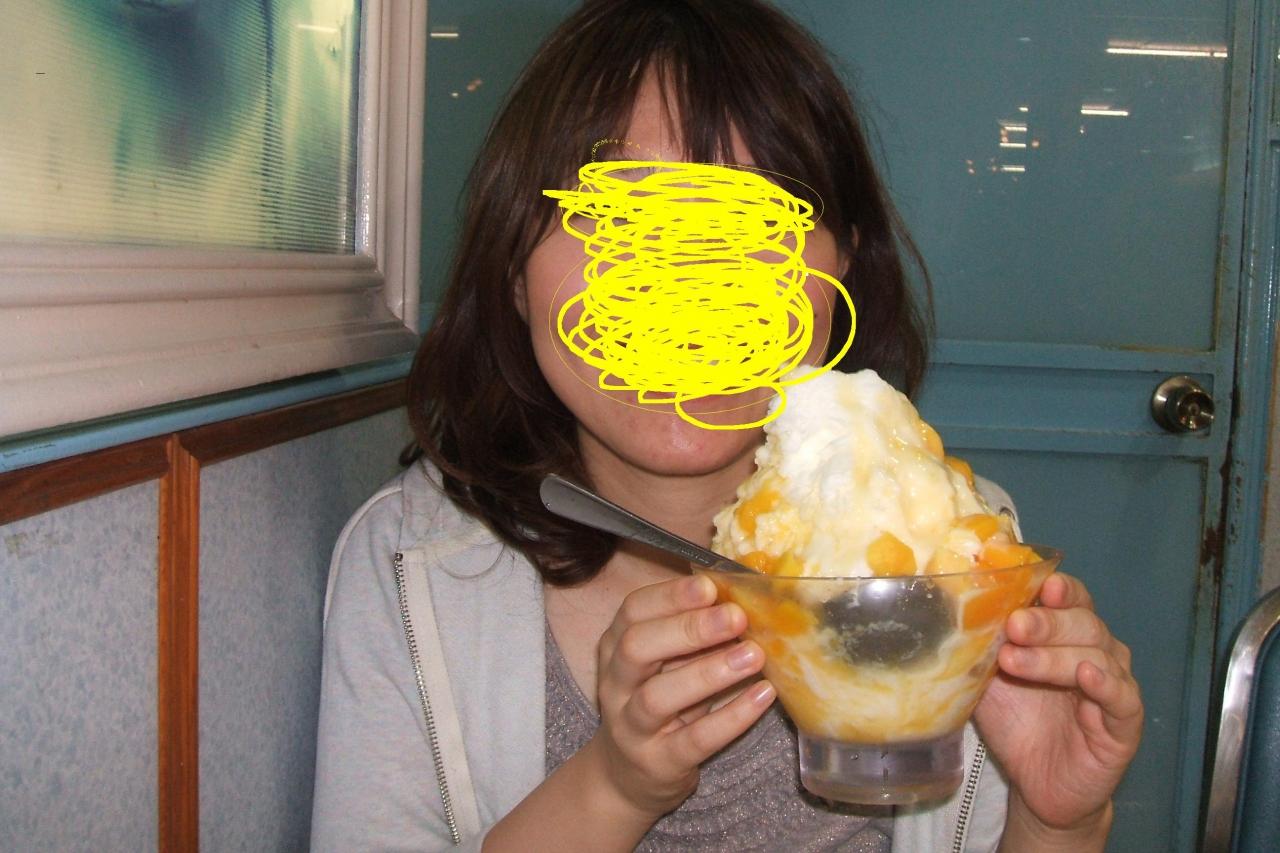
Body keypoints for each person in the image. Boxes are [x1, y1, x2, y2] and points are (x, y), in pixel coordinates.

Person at [310, 1, 1144, 850]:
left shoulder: (962, 557)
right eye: (618, 214)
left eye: (752, 220)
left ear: (844, 263)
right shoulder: (411, 567)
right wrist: (612, 786)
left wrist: (1058, 819)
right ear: (515, 275)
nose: (690, 285)